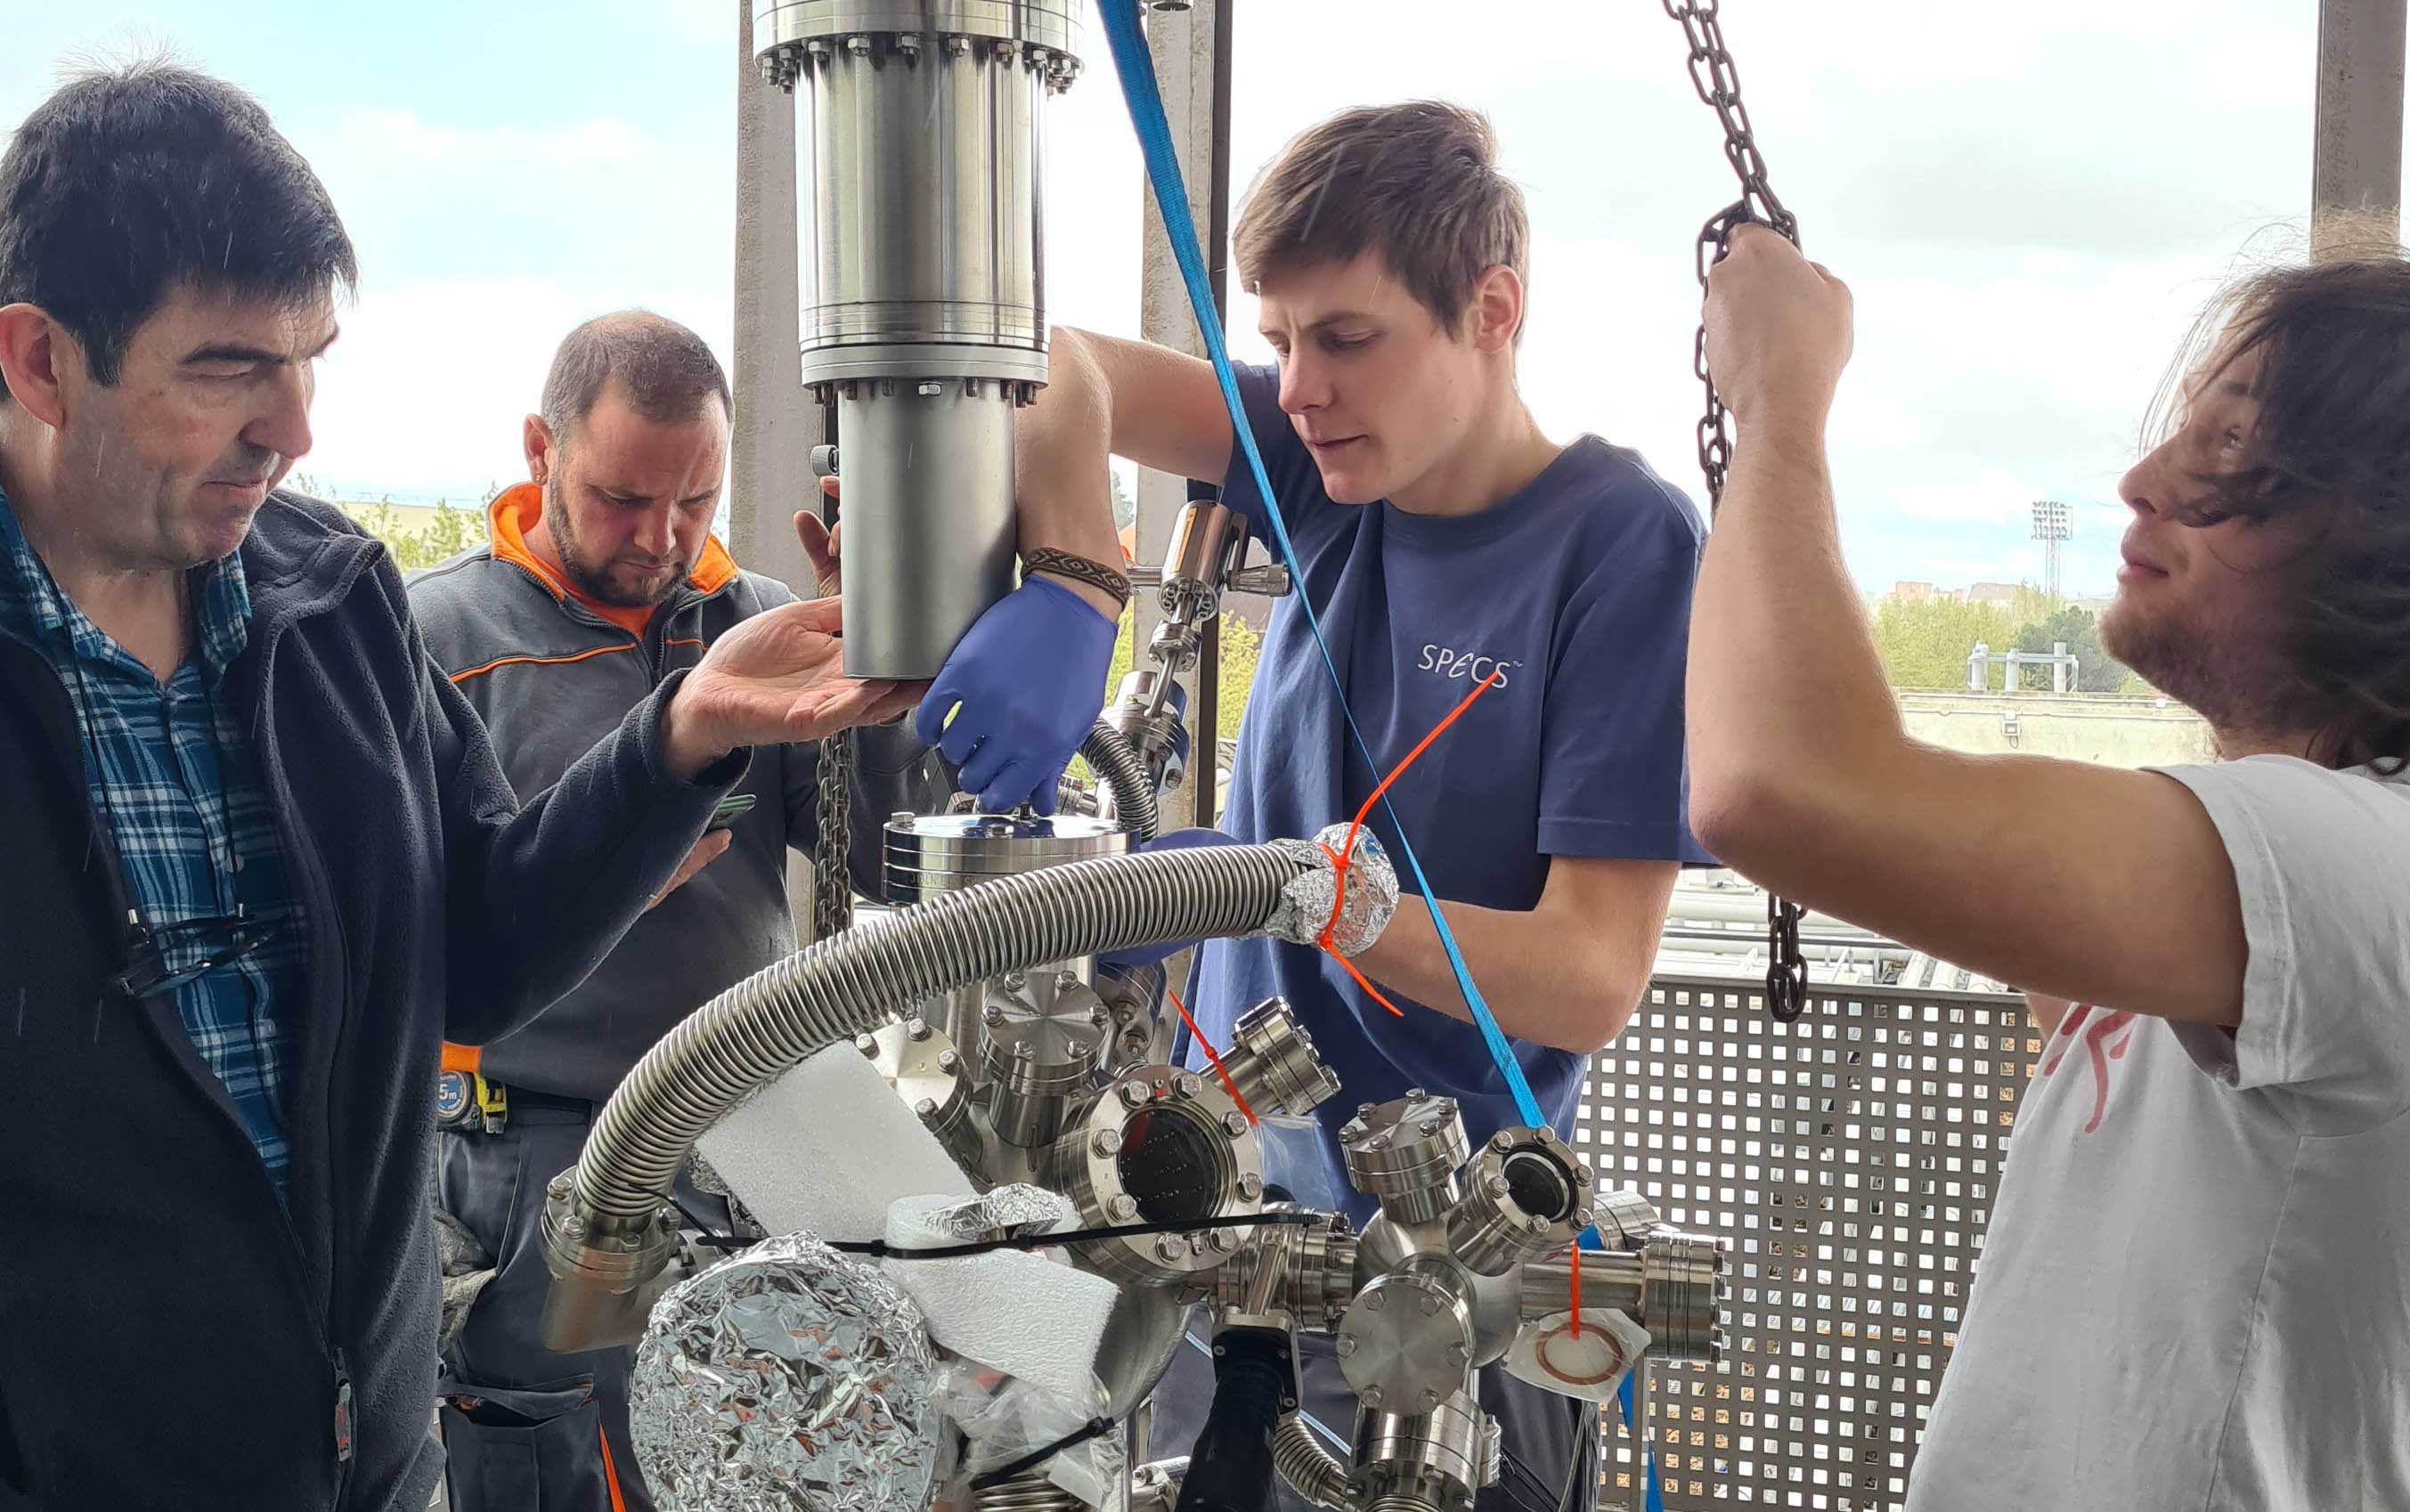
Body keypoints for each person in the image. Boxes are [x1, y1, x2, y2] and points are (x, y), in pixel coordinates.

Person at [0, 64, 924, 1509]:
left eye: (310, 359)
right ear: (41, 361)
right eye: (231, 367)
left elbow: (481, 952)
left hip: (373, 1458)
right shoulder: (436, 614)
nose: (294, 428)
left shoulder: (332, 608)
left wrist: (682, 731)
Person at [1686, 222, 2410, 1508]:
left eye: (2233, 450)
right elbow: (1886, 816)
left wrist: (1777, 403)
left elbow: (1786, 787)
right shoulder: (2343, 884)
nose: (2141, 480)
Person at [1020, 102, 1710, 1512]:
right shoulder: (1330, 478)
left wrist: (1327, 903)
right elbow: (1056, 361)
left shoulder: (1618, 544)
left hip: (1432, 1282)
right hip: (1223, 1231)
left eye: (1345, 338)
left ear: (1491, 309)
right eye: (1277, 343)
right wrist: (1074, 573)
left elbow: (1588, 976)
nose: (1302, 385)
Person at [405, 311, 966, 1510]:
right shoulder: (434, 640)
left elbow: (875, 849)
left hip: (742, 1143)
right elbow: (409, 924)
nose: (659, 540)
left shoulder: (754, 621)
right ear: (537, 449)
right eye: (619, 499)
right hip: (527, 1159)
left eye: (696, 503)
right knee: (534, 1458)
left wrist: (885, 680)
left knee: (740, 1462)